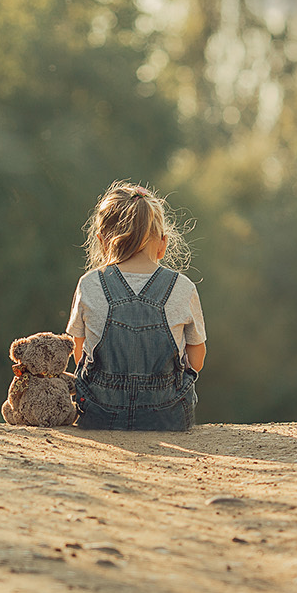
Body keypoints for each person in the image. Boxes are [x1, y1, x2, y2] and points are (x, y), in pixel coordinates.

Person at [66, 181, 206, 430]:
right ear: (163, 243)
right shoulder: (183, 287)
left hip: (100, 413)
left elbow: (78, 352)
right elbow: (197, 359)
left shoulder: (89, 284)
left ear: (102, 241)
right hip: (167, 416)